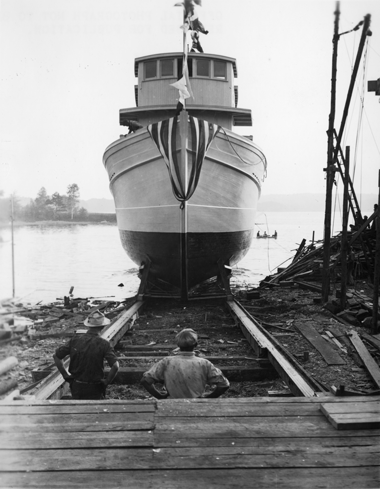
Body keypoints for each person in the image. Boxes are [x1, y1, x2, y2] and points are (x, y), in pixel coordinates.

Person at [141, 328, 230, 399]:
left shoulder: (166, 361)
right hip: (196, 407)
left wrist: (159, 396)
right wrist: (208, 398)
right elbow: (224, 385)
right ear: (196, 344)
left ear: (178, 345)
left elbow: (145, 380)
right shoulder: (204, 363)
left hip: (172, 406)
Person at [53, 310, 119, 400]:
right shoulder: (104, 344)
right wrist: (107, 381)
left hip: (77, 385)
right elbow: (115, 366)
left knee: (79, 409)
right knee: (95, 411)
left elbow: (56, 356)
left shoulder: (75, 340)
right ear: (103, 326)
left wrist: (65, 374)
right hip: (95, 386)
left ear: (88, 325)